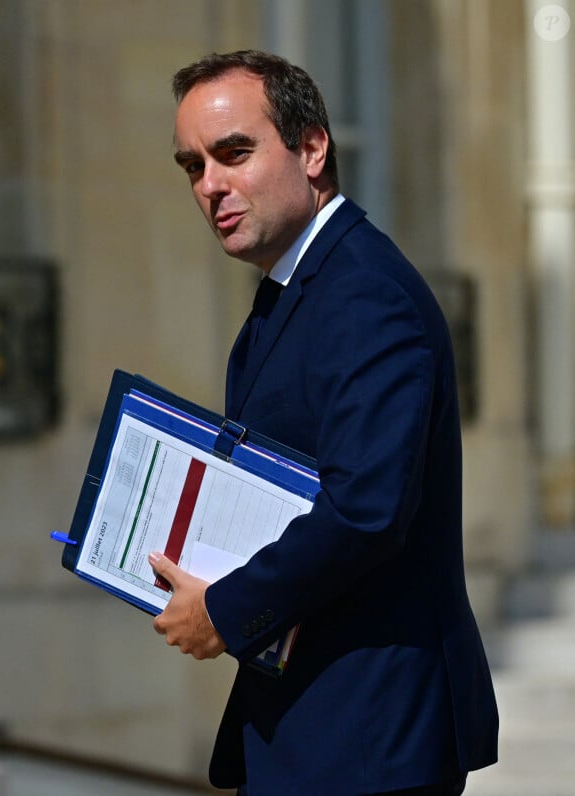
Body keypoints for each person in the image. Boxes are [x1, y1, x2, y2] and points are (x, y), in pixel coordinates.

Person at [148, 50, 498, 795]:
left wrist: (225, 610)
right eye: (192, 166)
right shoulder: (303, 285)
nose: (210, 185)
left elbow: (365, 509)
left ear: (312, 149)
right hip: (317, 728)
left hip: (368, 738)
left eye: (234, 153)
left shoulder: (365, 293)